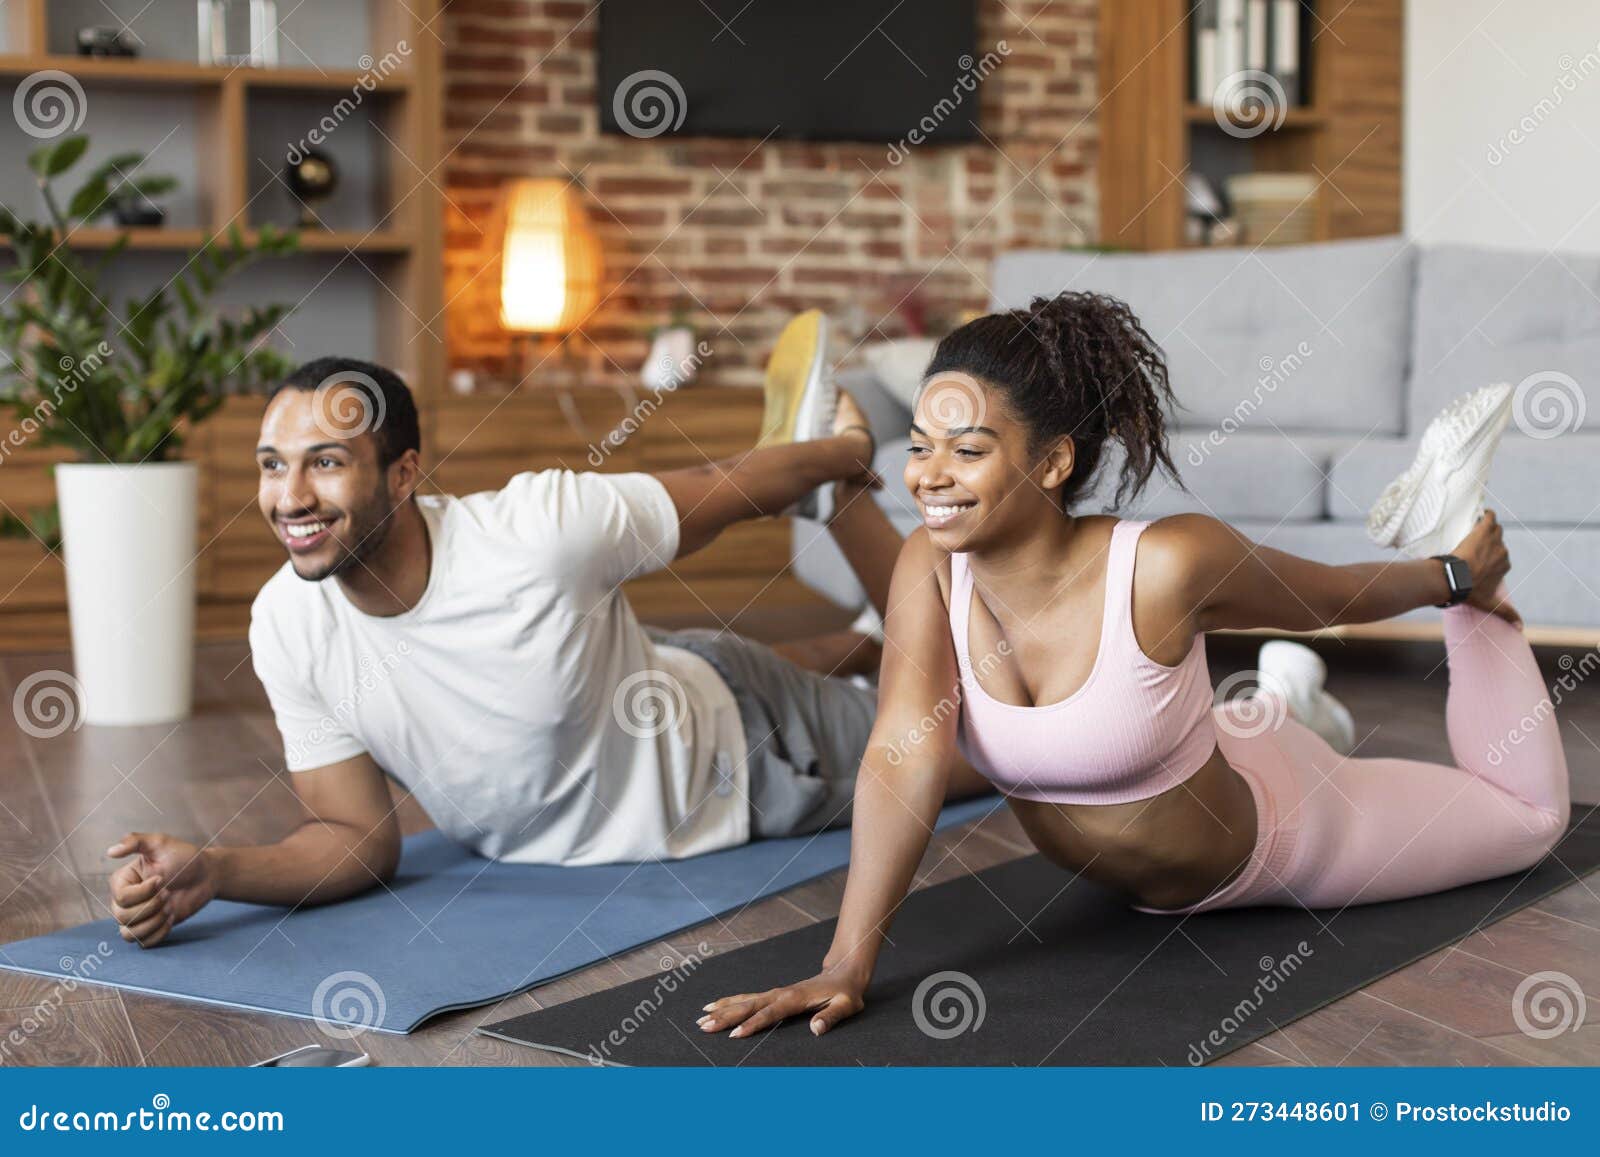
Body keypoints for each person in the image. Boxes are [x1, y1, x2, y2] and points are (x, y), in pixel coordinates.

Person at [697, 291, 1570, 1041]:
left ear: (1052, 460)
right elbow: (900, 750)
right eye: (919, 446)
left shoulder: (1164, 564)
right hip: (1210, 745)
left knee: (1532, 821)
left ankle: (1446, 540)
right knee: (1252, 714)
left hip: (1292, 831)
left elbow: (1324, 600)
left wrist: (1454, 577)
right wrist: (846, 963)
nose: (929, 476)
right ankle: (1285, 697)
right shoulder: (932, 568)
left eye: (966, 450)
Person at [104, 311, 988, 947]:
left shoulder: (536, 530)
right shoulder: (286, 622)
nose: (289, 497)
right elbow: (356, 839)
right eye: (273, 466)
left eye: (325, 464)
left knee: (978, 745)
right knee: (697, 661)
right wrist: (217, 871)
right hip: (633, 683)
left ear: (404, 473)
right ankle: (869, 637)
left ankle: (897, 626)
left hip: (748, 748)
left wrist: (841, 455)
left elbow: (727, 491)